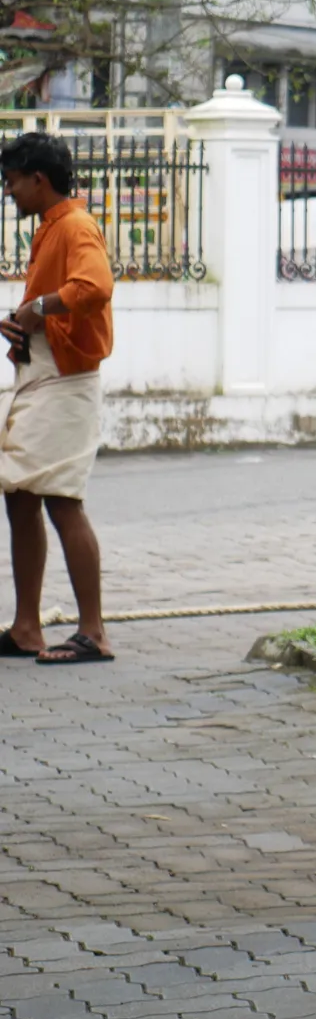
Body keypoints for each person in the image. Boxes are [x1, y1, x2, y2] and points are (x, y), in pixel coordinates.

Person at [0, 133, 114, 664]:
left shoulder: (74, 225)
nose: (9, 192)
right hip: (45, 375)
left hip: (66, 382)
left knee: (61, 499)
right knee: (21, 495)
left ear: (38, 178)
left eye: (12, 181)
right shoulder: (54, 226)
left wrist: (38, 309)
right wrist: (24, 320)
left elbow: (95, 287)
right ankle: (27, 628)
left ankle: (93, 632)